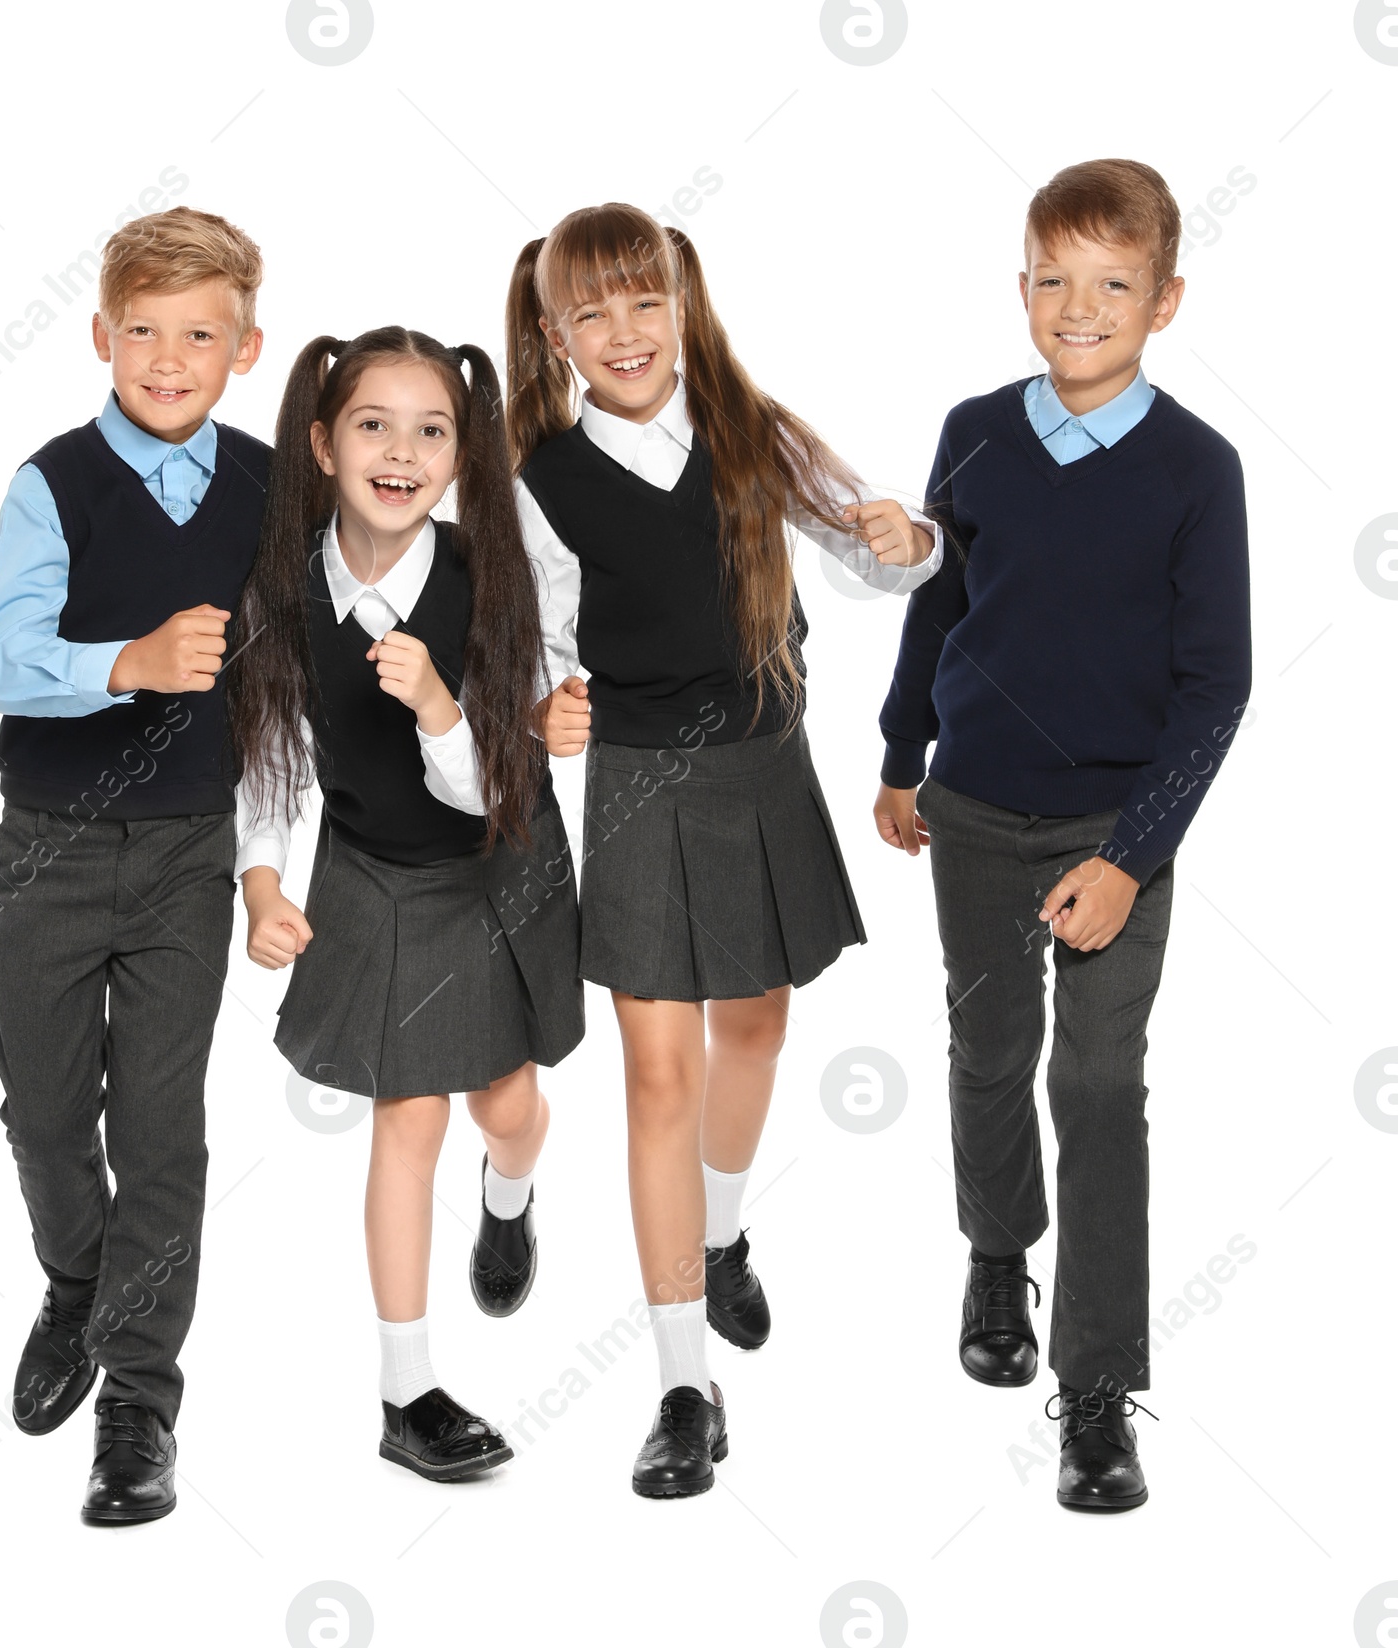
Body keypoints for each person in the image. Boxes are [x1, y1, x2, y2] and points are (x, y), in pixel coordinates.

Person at [506, 203, 941, 1497]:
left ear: (685, 303)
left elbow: (881, 553)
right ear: (554, 334)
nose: (623, 331)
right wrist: (546, 706)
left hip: (764, 768)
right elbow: (539, 643)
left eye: (645, 300)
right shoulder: (540, 480)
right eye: (591, 311)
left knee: (756, 1024)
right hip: (637, 783)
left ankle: (728, 1230)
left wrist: (901, 540)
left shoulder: (757, 432)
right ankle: (685, 1384)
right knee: (656, 1076)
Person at [874, 158, 1252, 1511]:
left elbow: (1217, 686)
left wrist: (1127, 857)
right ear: (1020, 284)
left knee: (1096, 1085)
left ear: (1164, 298)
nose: (1078, 307)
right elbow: (938, 599)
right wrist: (901, 752)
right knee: (989, 1049)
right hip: (974, 806)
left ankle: (1095, 1389)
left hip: (1115, 823)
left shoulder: (1199, 469)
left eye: (1112, 284)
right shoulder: (976, 429)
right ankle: (995, 1250)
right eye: (1053, 279)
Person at [231, 327, 584, 1482]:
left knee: (508, 1103)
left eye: (431, 430)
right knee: (406, 1117)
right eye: (372, 425)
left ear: (459, 456)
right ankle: (407, 1392)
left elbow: (499, 782)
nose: (401, 450)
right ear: (325, 442)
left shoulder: (493, 582)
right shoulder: (284, 586)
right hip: (374, 871)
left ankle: (513, 1189)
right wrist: (264, 881)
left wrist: (437, 702)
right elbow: (272, 756)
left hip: (492, 857)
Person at [0, 206, 268, 1523]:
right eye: (142, 329)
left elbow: (286, 707)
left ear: (243, 349)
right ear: (101, 336)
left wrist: (264, 866)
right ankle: (77, 1280)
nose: (167, 356)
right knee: (45, 1114)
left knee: (160, 1132)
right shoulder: (53, 483)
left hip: (193, 852)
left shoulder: (269, 487)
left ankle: (139, 1402)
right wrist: (124, 667)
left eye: (199, 332)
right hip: (53, 849)